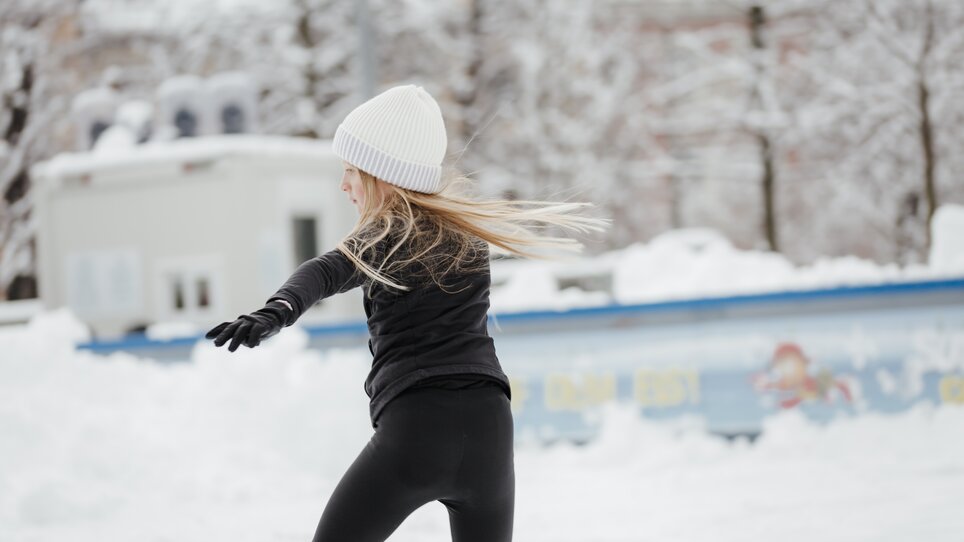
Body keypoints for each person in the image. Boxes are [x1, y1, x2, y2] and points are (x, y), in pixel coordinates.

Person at [204, 84, 610, 542]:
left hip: (418, 428)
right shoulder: (468, 238)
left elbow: (324, 272)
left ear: (380, 175)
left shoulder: (388, 238)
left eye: (350, 171)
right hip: (490, 430)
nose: (343, 185)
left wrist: (277, 310)